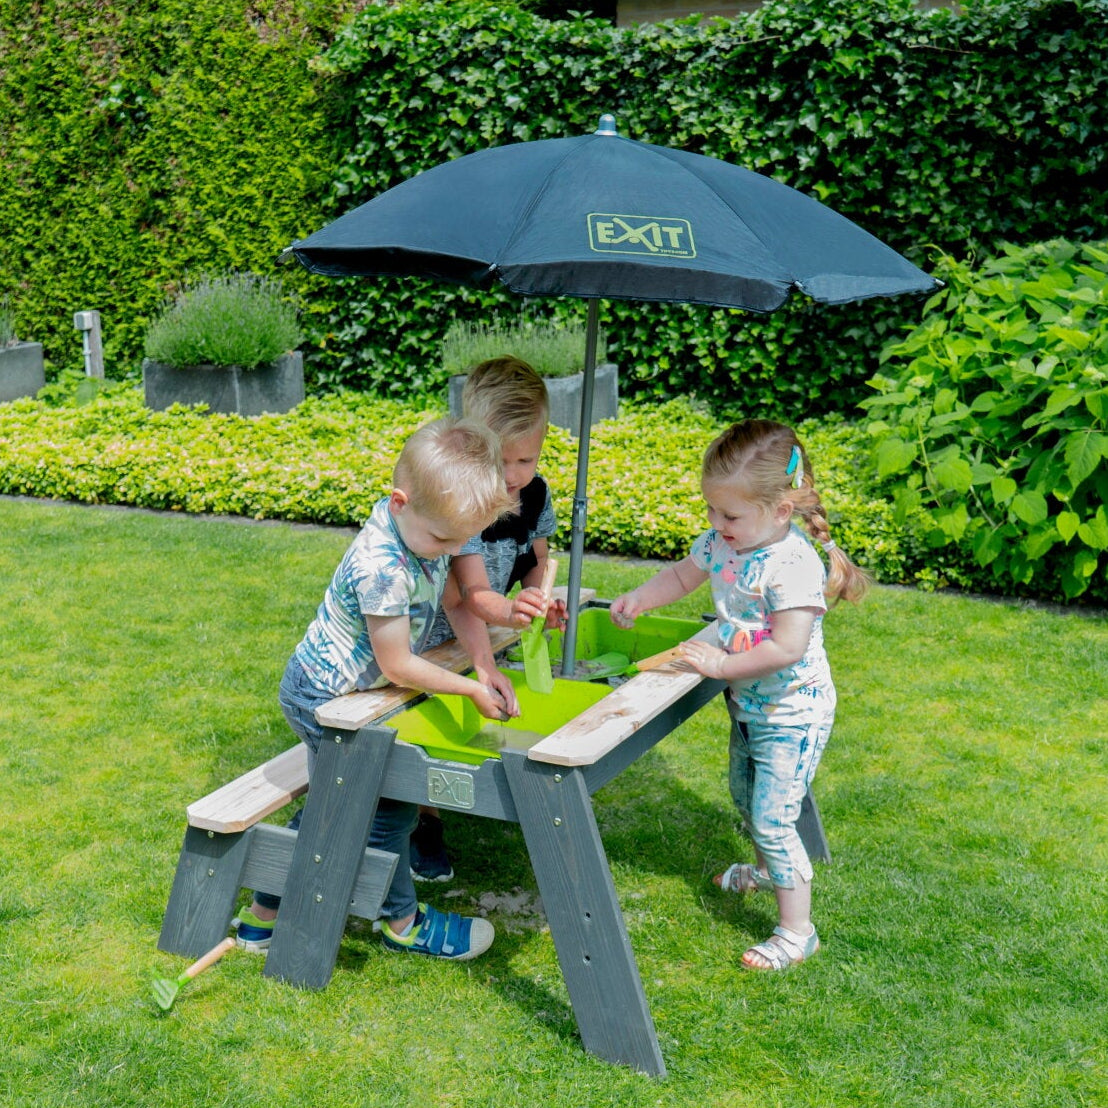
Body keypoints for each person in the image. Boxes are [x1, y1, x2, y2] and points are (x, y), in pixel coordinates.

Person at [233, 416, 516, 961]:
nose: (447, 551)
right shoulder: (381, 565)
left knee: (345, 804)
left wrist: (484, 665)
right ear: (399, 501)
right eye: (440, 540)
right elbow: (400, 663)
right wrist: (467, 692)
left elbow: (457, 600)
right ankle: (403, 922)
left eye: (459, 541)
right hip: (323, 699)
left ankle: (262, 916)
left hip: (360, 697)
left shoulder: (429, 527)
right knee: (379, 807)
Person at [609, 419, 868, 971]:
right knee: (748, 800)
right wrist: (639, 598)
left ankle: (798, 932)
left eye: (728, 515)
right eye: (711, 511)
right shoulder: (725, 543)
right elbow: (681, 577)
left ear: (779, 511)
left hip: (791, 712)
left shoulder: (792, 564)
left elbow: (788, 647)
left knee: (773, 820)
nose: (715, 524)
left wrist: (722, 664)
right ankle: (768, 872)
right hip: (751, 707)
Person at [410, 356, 566, 881]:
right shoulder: (466, 499)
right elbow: (472, 592)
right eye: (504, 461)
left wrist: (539, 598)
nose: (515, 476)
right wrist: (512, 612)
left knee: (462, 712)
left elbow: (536, 558)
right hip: (428, 631)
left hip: (480, 623)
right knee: (422, 723)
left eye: (528, 459)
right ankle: (422, 820)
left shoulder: (535, 492)